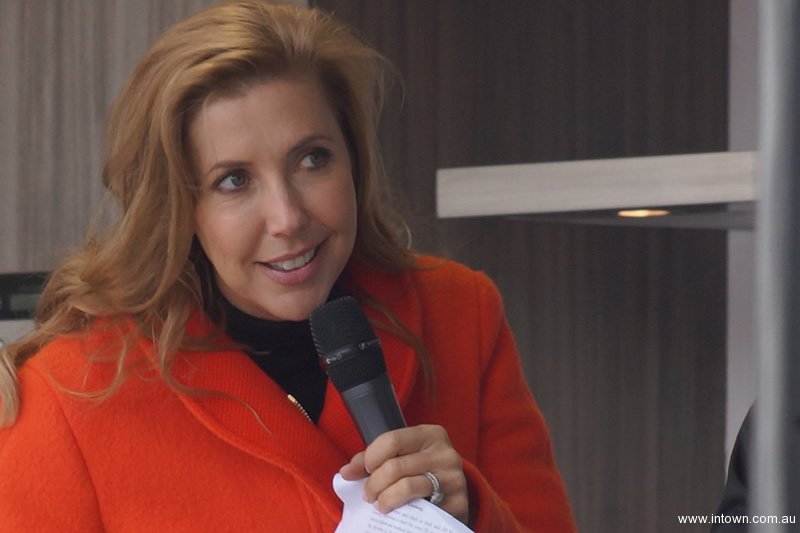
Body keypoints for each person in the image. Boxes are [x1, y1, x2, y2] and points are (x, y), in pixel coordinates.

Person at [0, 1, 575, 531]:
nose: (287, 218)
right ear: (179, 207)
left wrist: (472, 513)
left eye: (312, 159)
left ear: (354, 160)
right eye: (233, 180)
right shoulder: (68, 395)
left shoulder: (461, 314)